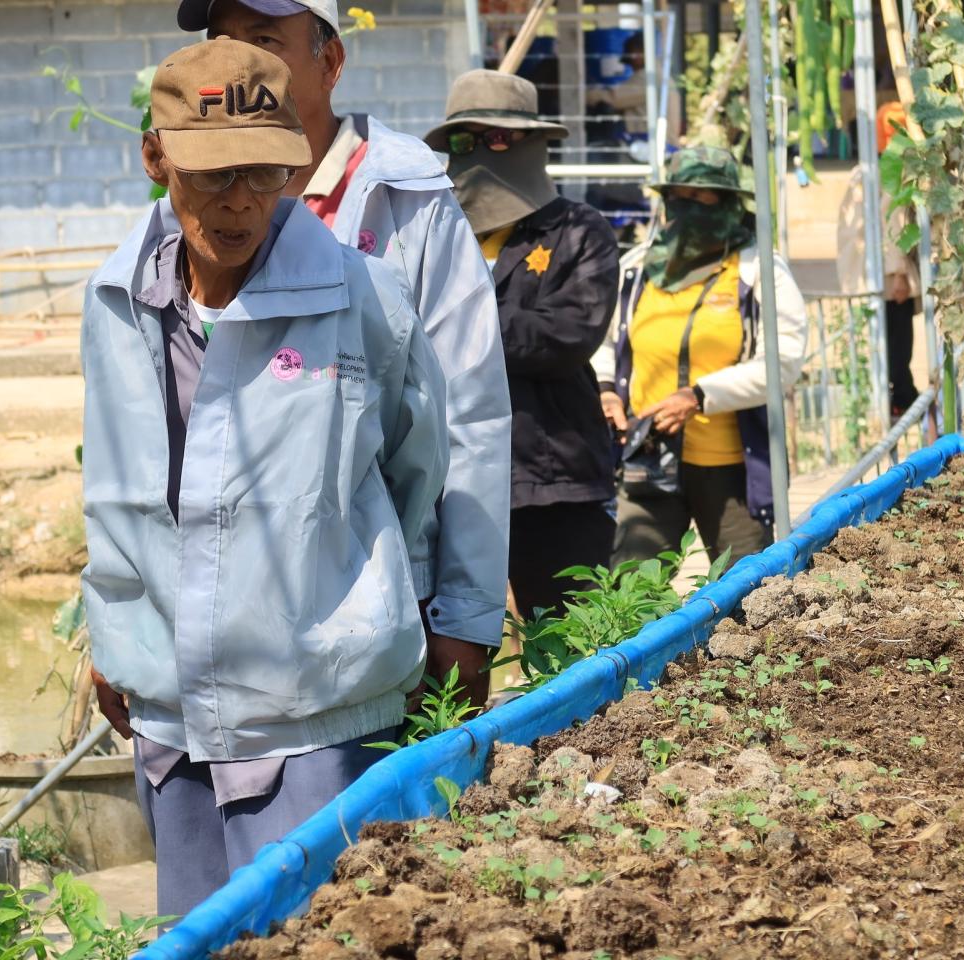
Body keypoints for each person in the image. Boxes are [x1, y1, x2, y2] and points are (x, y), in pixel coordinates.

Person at [83, 38, 448, 918]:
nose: (240, 201)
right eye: (213, 174)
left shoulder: (362, 297)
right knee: (196, 934)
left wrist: (396, 610)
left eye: (263, 171)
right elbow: (116, 485)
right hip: (170, 717)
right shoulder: (115, 299)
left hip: (320, 717)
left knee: (319, 932)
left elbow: (418, 469)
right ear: (155, 155)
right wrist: (114, 629)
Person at [180, 0, 510, 710]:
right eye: (223, 43)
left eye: (264, 43)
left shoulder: (402, 200)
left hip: (382, 605)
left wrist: (466, 616)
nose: (240, 69)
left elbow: (470, 415)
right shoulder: (191, 196)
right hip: (222, 610)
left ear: (329, 63)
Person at [424, 71, 620, 619]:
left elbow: (569, 332)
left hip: (552, 478)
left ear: (535, 142)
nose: (482, 152)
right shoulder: (434, 233)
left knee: (569, 641)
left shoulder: (579, 231)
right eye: (465, 139)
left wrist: (451, 329)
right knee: (449, 646)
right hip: (447, 479)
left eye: (499, 137)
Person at [594, 146, 806, 568]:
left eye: (703, 198)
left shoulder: (758, 269)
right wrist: (604, 391)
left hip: (730, 470)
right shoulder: (638, 269)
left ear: (728, 204)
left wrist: (699, 396)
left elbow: (782, 361)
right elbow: (603, 343)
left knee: (747, 590)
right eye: (679, 198)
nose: (688, 208)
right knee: (631, 589)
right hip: (649, 459)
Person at [836, 101, 921, 415]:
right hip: (887, 272)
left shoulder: (863, 171)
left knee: (883, 338)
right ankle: (903, 397)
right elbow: (895, 222)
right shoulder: (894, 171)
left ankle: (894, 397)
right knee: (898, 341)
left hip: (869, 269)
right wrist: (900, 271)